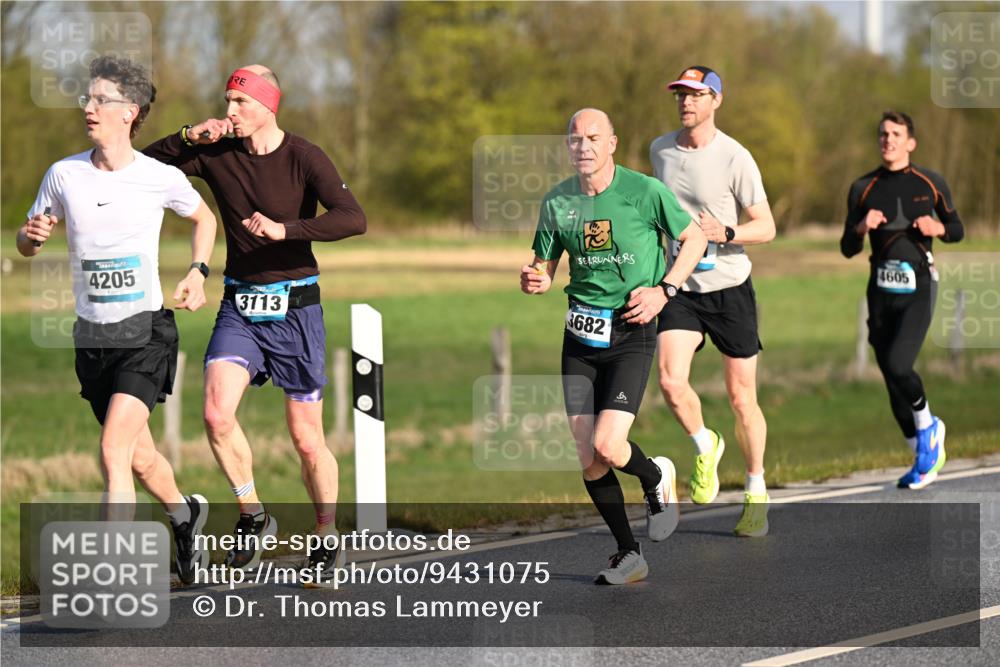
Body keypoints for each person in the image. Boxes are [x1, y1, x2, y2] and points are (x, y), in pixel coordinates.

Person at [143, 65, 366, 583]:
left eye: (240, 103)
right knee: (217, 415)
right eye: (227, 102)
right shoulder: (215, 152)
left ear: (268, 105)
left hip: (296, 307)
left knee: (307, 439)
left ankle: (326, 535)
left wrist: (286, 229)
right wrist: (185, 136)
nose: (230, 113)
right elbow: (141, 166)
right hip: (240, 305)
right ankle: (253, 515)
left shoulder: (304, 156)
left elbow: (352, 217)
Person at [16, 55, 217, 585]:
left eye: (101, 99)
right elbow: (27, 236)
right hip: (92, 336)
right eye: (87, 98)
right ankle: (185, 514)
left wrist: (197, 271)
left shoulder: (159, 177)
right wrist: (30, 239)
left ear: (130, 111)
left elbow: (204, 217)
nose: (89, 107)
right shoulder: (64, 174)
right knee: (140, 458)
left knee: (112, 449)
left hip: (145, 331)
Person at [521, 108, 706, 584]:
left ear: (611, 144)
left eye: (593, 137)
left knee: (608, 443)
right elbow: (543, 264)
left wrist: (664, 289)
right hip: (580, 336)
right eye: (575, 138)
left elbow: (694, 239)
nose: (583, 145)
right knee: (588, 457)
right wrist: (536, 279)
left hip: (631, 329)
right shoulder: (557, 202)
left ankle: (654, 478)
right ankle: (629, 553)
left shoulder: (644, 192)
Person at [649, 66, 776, 537]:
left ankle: (756, 489)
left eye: (695, 95)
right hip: (681, 285)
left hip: (730, 287)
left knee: (743, 399)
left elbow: (767, 226)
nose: (686, 102)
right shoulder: (659, 150)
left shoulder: (735, 157)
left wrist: (728, 233)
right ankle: (705, 446)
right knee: (669, 379)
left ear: (715, 101)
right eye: (680, 94)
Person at [840, 110, 963, 489]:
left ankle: (929, 427)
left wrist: (937, 227)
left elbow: (957, 230)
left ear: (910, 142)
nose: (888, 139)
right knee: (892, 380)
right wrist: (862, 227)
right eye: (882, 134)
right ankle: (922, 458)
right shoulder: (863, 187)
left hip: (919, 288)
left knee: (899, 363)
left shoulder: (931, 182)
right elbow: (847, 247)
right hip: (880, 291)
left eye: (896, 134)